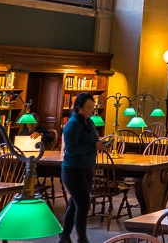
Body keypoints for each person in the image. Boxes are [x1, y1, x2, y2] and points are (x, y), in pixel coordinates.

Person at [60, 93, 107, 243]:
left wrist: (101, 144)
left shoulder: (90, 122)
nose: (92, 111)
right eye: (88, 108)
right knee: (83, 204)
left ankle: (65, 236)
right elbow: (71, 148)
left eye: (93, 108)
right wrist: (94, 146)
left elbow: (93, 140)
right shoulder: (73, 124)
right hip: (73, 169)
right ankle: (82, 239)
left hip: (87, 167)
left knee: (75, 203)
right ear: (79, 108)